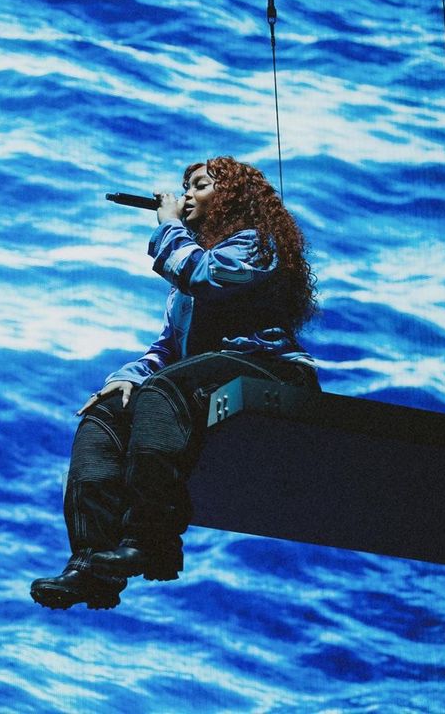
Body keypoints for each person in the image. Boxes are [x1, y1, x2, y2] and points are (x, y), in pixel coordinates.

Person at [30, 156, 319, 610]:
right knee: (102, 418)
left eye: (200, 186)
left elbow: (203, 275)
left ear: (232, 199)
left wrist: (166, 226)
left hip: (268, 367)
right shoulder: (187, 268)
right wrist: (125, 378)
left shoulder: (256, 245)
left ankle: (153, 537)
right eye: (185, 187)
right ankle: (92, 562)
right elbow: (168, 348)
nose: (185, 195)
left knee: (164, 392)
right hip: (197, 377)